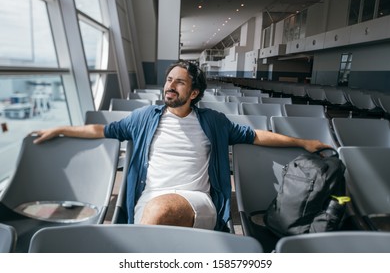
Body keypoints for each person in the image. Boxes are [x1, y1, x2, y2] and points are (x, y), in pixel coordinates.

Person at [32, 60, 331, 232]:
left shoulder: (213, 121)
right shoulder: (143, 118)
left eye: (179, 83)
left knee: (160, 211)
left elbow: (256, 135)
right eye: (168, 80)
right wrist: (60, 128)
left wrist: (302, 141)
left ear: (194, 92)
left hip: (197, 201)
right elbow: (101, 129)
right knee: (156, 213)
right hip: (146, 202)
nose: (170, 86)